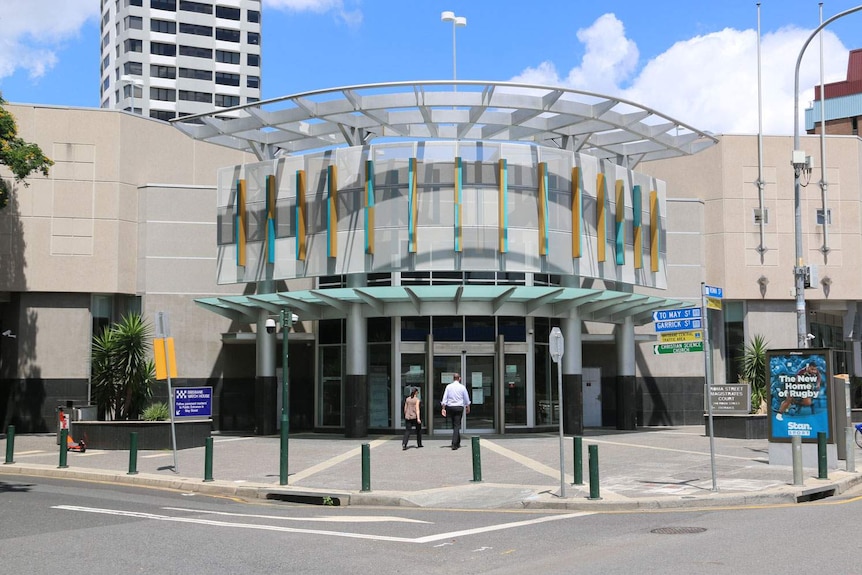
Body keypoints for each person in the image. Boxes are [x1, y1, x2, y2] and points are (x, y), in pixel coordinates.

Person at [440, 373, 470, 450]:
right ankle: (454, 444)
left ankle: (457, 441)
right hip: (459, 407)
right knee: (457, 425)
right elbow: (466, 398)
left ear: (453, 378)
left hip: (450, 407)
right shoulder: (462, 387)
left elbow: (444, 398)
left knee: (455, 425)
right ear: (459, 378)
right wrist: (467, 406)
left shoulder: (448, 387)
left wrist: (443, 408)